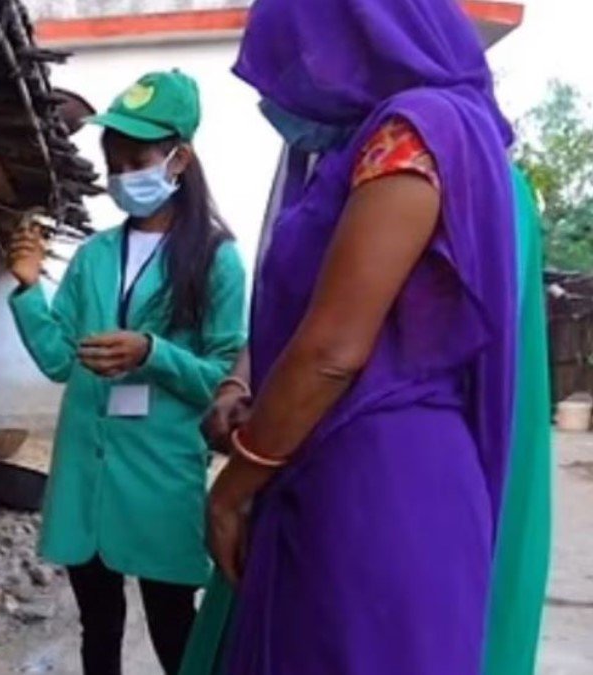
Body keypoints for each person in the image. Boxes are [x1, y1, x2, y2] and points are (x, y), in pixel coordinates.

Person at [181, 1, 550, 673]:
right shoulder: (410, 141)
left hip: (370, 478)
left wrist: (232, 488)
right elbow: (315, 313)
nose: (307, 75)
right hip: (384, 466)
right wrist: (247, 386)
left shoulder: (411, 134)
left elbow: (332, 349)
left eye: (311, 48)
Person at [6, 70, 247, 675]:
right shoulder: (94, 256)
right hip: (84, 472)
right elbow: (58, 358)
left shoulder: (216, 259)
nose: (121, 177)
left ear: (178, 159)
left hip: (161, 476)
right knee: (99, 627)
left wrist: (151, 352)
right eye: (113, 165)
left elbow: (224, 377)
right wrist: (29, 290)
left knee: (173, 627)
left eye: (136, 161)